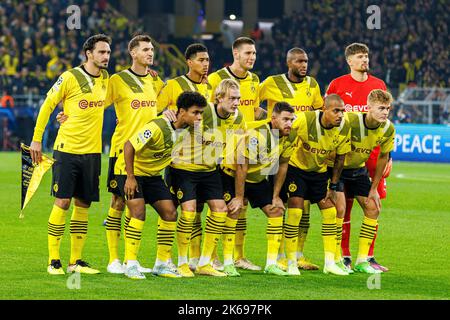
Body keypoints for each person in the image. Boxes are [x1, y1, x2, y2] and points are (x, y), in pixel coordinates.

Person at [30, 34, 111, 275]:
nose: (106, 57)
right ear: (89, 53)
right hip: (66, 150)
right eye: (101, 52)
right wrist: (36, 139)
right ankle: (53, 260)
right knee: (63, 201)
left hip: (93, 152)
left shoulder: (106, 79)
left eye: (108, 52)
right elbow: (47, 105)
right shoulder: (70, 77)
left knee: (83, 203)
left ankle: (75, 262)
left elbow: (99, 104)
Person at [115, 91, 206, 279]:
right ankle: (130, 264)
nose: (199, 117)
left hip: (153, 176)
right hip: (129, 172)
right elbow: (129, 145)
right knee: (138, 212)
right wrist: (130, 177)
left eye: (201, 113)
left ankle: (161, 263)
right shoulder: (157, 126)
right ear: (181, 112)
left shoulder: (189, 128)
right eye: (195, 113)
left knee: (170, 213)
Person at [167, 79, 245, 277]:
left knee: (220, 210)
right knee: (188, 212)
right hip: (183, 168)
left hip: (209, 169)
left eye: (238, 98)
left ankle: (204, 263)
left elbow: (240, 153)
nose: (236, 102)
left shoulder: (239, 119)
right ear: (219, 98)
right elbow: (178, 119)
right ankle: (181, 262)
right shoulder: (204, 111)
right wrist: (166, 114)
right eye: (232, 98)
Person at [104, 34, 165, 274]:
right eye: (146, 49)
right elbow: (98, 103)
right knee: (119, 201)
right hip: (122, 150)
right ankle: (113, 259)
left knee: (135, 206)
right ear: (133, 53)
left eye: (152, 49)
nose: (151, 53)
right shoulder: (117, 80)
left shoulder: (154, 80)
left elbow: (162, 106)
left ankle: (132, 259)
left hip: (146, 153)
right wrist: (68, 116)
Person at [326, 42, 390, 271]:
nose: (365, 60)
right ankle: (343, 255)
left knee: (374, 204)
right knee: (345, 206)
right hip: (344, 155)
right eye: (360, 57)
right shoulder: (338, 84)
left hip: (371, 156)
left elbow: (384, 121)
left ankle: (368, 257)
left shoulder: (378, 85)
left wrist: (387, 156)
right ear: (349, 61)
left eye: (367, 56)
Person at [259, 47, 323, 271]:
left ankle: (296, 255)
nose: (303, 65)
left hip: (303, 156)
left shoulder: (313, 85)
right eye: (299, 61)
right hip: (278, 154)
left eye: (305, 61)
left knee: (303, 208)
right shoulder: (270, 83)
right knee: (280, 205)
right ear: (289, 63)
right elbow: (250, 103)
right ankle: (274, 256)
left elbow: (318, 116)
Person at [220, 101, 296, 276]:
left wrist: (276, 196)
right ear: (273, 118)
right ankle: (228, 263)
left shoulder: (290, 136)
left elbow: (283, 164)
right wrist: (239, 197)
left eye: (291, 119)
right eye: (285, 119)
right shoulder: (257, 136)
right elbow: (241, 166)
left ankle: (271, 264)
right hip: (232, 174)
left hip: (257, 177)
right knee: (233, 211)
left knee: (276, 211)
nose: (289, 124)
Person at [207, 37, 264, 271]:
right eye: (248, 53)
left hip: (245, 152)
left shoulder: (255, 80)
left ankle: (238, 256)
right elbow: (208, 115)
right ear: (235, 53)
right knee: (216, 207)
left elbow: (255, 111)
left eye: (254, 54)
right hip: (219, 155)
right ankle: (210, 257)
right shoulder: (215, 79)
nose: (252, 57)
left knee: (241, 205)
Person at [157, 43, 212, 271]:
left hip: (204, 160)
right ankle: (165, 259)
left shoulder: (212, 85)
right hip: (178, 160)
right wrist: (164, 113)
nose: (205, 64)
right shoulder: (174, 85)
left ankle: (195, 260)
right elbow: (156, 111)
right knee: (173, 209)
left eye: (208, 59)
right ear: (189, 62)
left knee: (197, 211)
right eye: (201, 59)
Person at [284, 94, 351, 276]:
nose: (340, 115)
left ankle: (329, 263)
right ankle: (290, 262)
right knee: (296, 211)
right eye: (336, 111)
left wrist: (334, 186)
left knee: (330, 211)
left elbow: (340, 158)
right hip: (296, 170)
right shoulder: (305, 119)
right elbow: (285, 138)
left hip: (319, 173)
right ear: (324, 110)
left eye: (342, 111)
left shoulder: (344, 128)